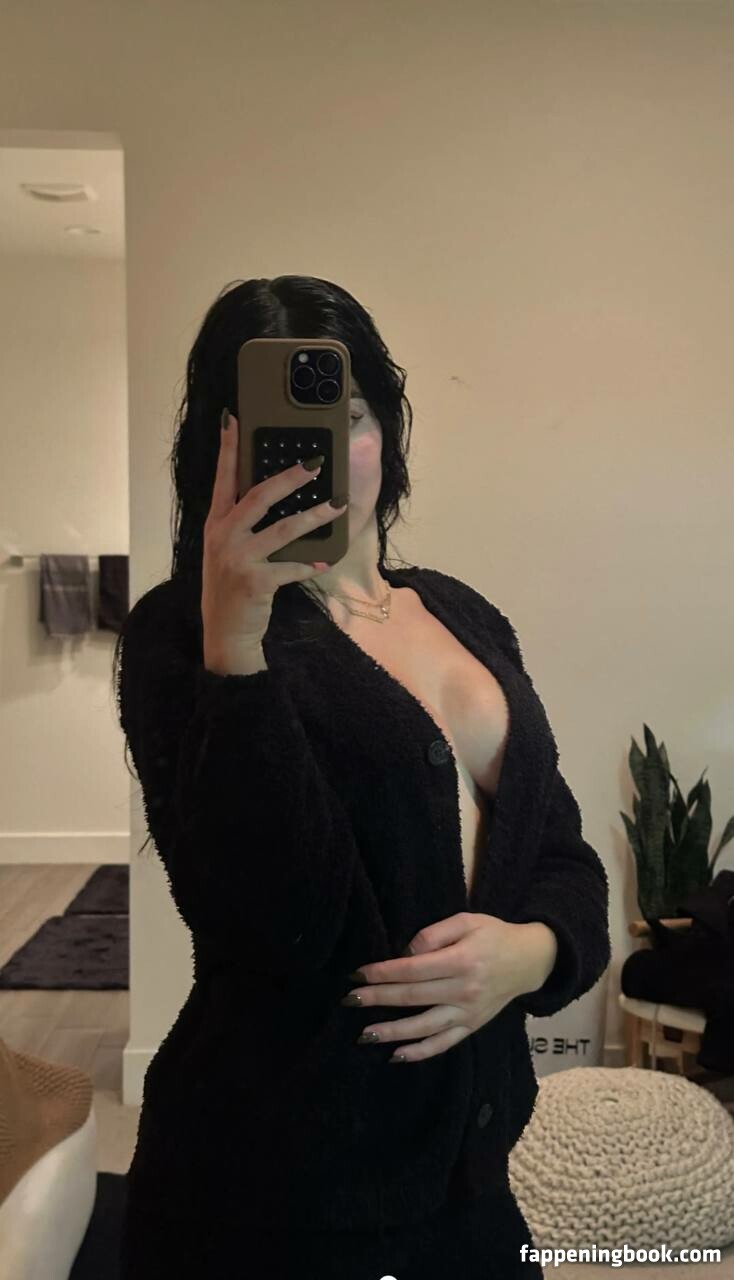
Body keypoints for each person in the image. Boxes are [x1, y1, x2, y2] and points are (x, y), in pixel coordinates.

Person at [114, 274, 611, 1278]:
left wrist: (533, 952)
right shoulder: (180, 634)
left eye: (347, 420)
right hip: (276, 1196)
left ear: (387, 427)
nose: (322, 459)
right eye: (281, 433)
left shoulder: (461, 612)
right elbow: (279, 925)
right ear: (220, 449)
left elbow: (556, 849)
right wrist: (236, 643)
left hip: (471, 1175)